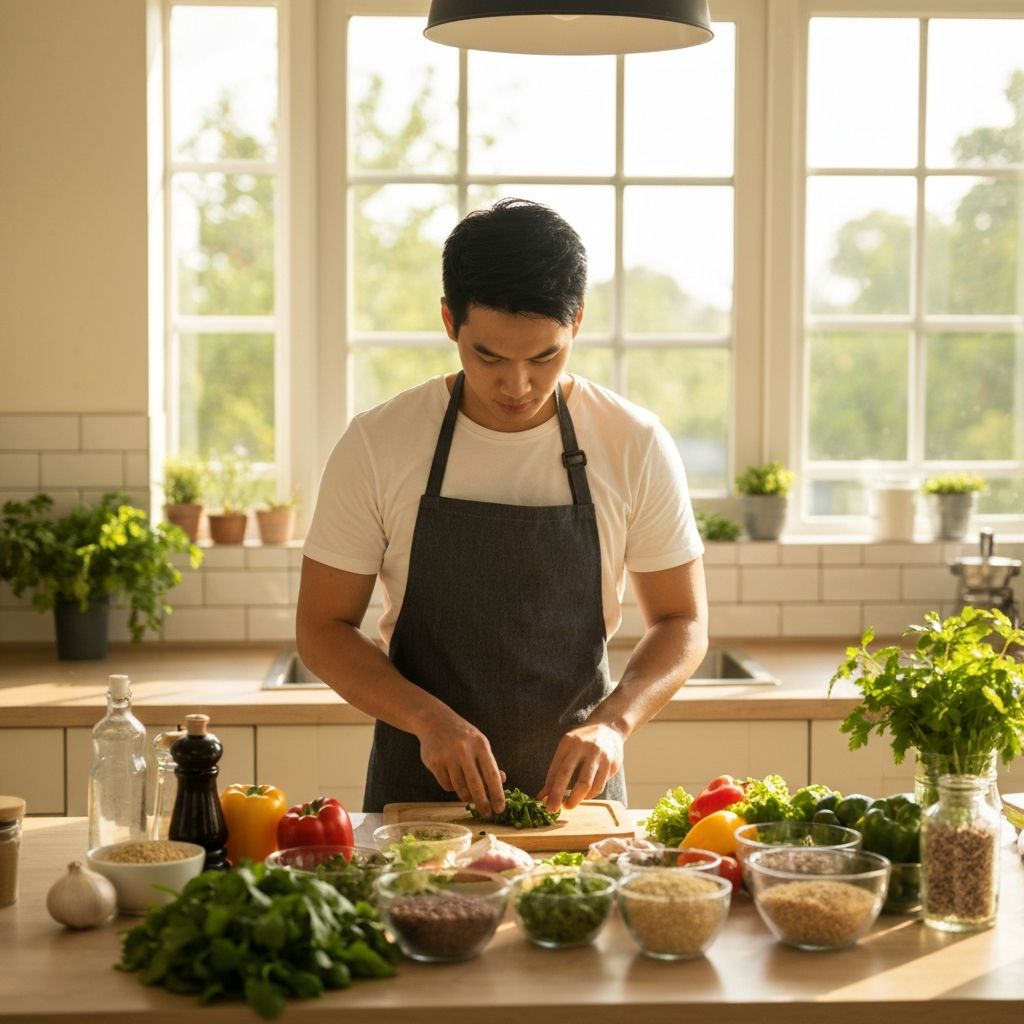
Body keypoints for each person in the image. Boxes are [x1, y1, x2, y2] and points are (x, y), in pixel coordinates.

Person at [297, 197, 708, 817]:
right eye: (488, 356)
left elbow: (682, 619)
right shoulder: (379, 443)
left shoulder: (633, 442)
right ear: (448, 321)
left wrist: (615, 724)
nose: (517, 386)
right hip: (417, 796)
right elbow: (321, 628)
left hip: (575, 803)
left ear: (577, 322)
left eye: (545, 356)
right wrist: (428, 719)